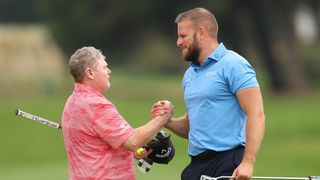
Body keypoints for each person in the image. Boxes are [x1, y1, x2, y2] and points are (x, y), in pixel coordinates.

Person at [152, 7, 265, 180]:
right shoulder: (190, 75)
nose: (178, 42)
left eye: (183, 36)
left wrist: (248, 162)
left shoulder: (234, 64)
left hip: (228, 163)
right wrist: (166, 121)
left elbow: (256, 114)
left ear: (202, 33)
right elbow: (192, 126)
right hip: (196, 165)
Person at [61, 46, 173, 180]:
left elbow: (100, 144)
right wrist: (164, 117)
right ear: (90, 73)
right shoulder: (97, 105)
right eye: (104, 67)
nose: (109, 71)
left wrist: (131, 151)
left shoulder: (73, 100)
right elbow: (133, 141)